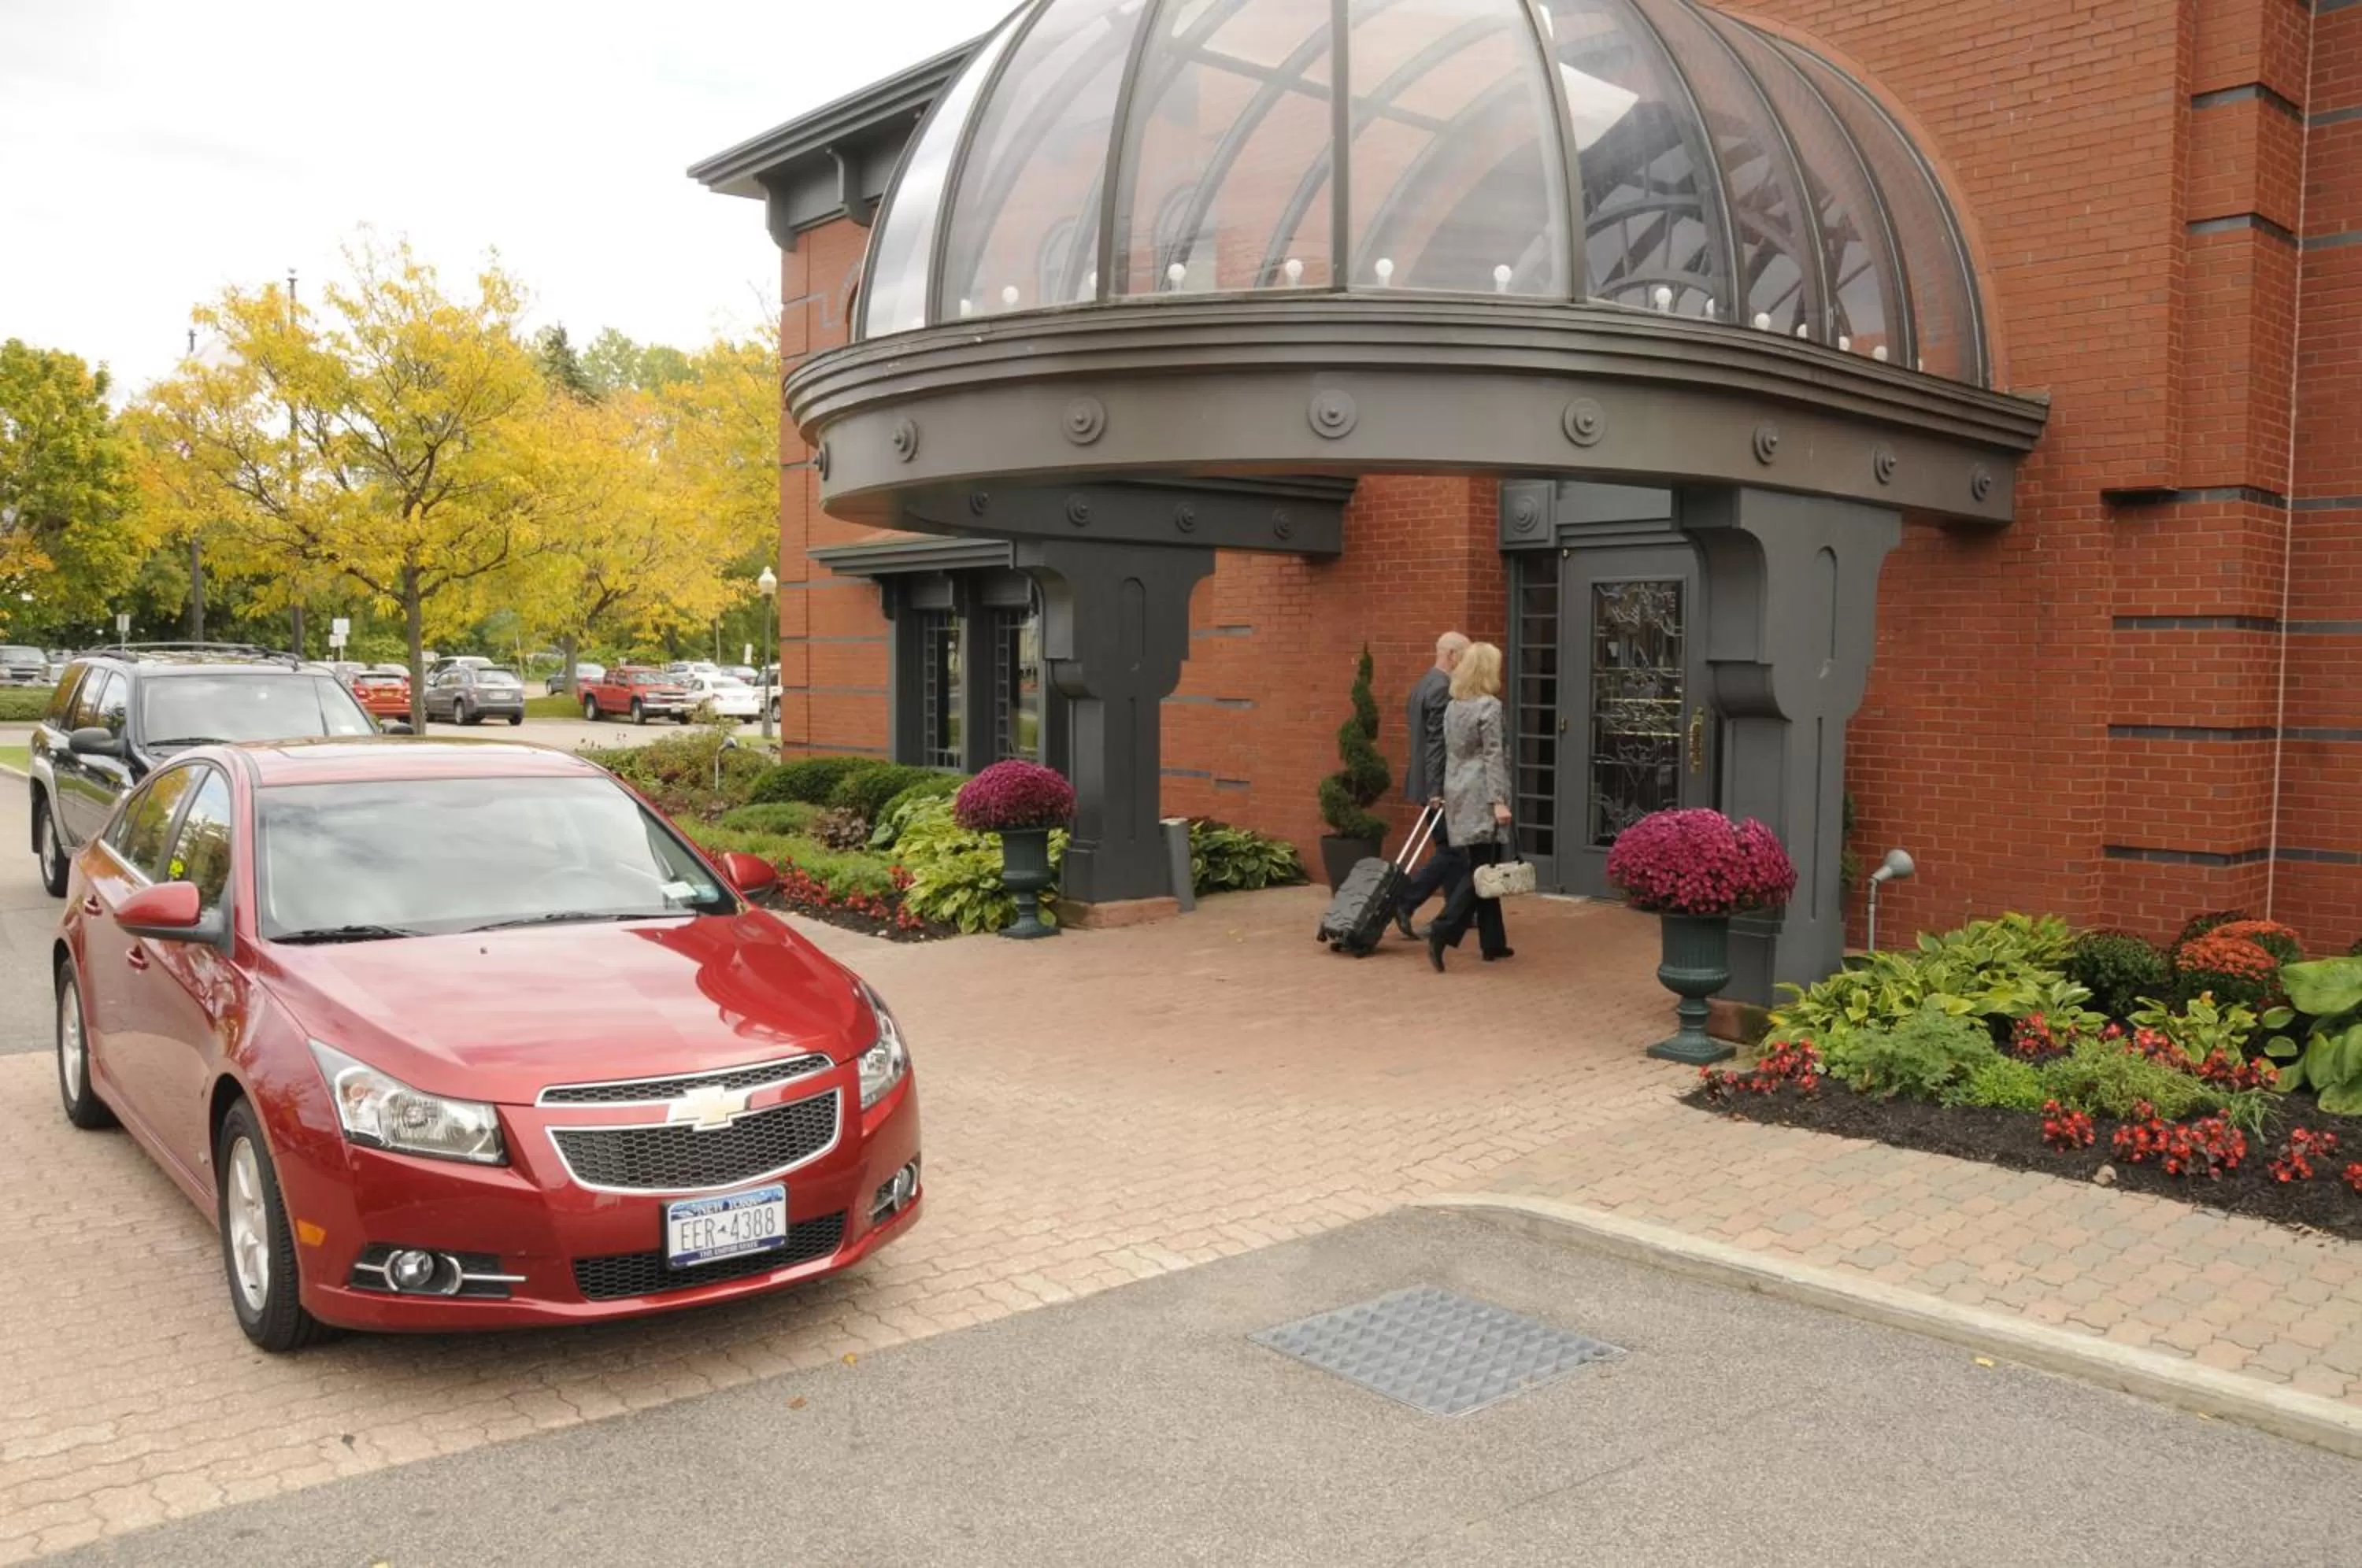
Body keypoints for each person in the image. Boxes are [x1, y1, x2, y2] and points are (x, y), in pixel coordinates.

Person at [1427, 640, 1515, 971]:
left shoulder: (1454, 705)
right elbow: (1493, 754)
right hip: (1482, 791)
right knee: (1481, 870)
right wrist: (1499, 801)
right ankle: (1444, 927)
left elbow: (1448, 751)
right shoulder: (1488, 706)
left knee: (1483, 863)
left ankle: (1493, 942)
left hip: (1458, 787)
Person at [1394, 631, 1469, 939]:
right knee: (1451, 851)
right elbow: (1437, 742)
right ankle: (1407, 902)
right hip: (1435, 785)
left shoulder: (1422, 684)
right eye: (1463, 657)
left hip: (1423, 781)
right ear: (1452, 655)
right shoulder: (1442, 688)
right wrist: (1438, 789)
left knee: (1451, 849)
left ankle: (1456, 913)